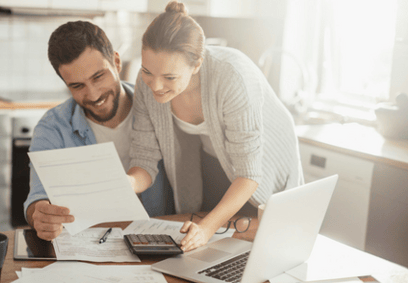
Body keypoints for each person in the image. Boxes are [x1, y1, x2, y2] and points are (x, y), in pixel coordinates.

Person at [127, 1, 304, 252]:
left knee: (261, 237)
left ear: (196, 65)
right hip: (215, 153)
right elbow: (144, 158)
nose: (154, 86)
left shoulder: (233, 77)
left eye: (169, 77)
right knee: (212, 242)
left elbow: (249, 174)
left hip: (265, 158)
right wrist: (127, 183)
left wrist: (207, 228)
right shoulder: (147, 83)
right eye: (147, 71)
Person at [24, 21, 173, 241]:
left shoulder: (158, 106)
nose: (93, 95)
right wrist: (41, 215)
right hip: (91, 245)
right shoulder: (52, 127)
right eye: (77, 86)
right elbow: (37, 198)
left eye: (98, 77)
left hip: (161, 241)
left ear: (117, 61)